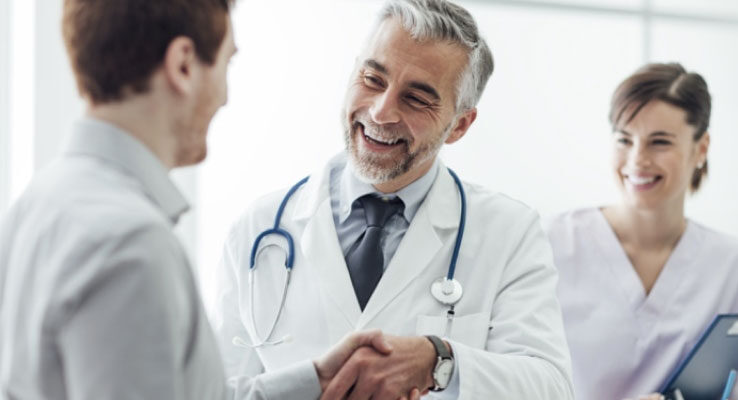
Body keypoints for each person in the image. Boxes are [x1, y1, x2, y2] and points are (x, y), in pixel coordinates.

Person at [0, 0, 398, 399]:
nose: (224, 97)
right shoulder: (131, 243)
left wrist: (316, 381)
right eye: (226, 63)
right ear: (184, 65)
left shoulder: (40, 201)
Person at [212, 0, 574, 398]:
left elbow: (551, 388)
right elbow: (216, 390)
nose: (382, 112)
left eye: (417, 99)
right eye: (372, 79)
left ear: (460, 125)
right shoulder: (260, 227)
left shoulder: (509, 232)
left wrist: (440, 359)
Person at [545, 62, 738, 400]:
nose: (637, 160)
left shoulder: (729, 264)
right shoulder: (552, 244)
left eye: (659, 142)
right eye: (624, 140)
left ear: (701, 148)